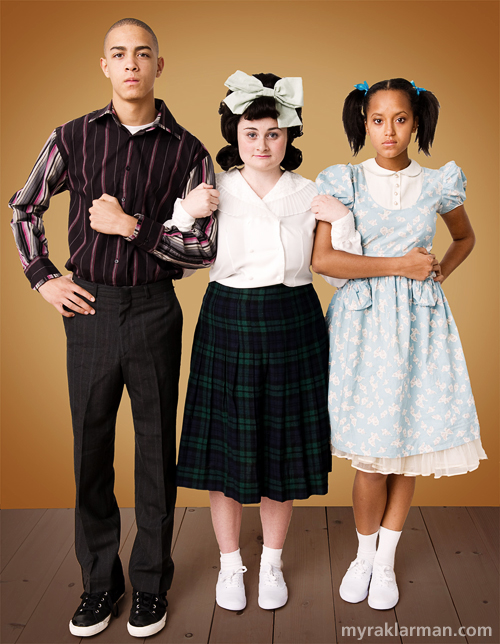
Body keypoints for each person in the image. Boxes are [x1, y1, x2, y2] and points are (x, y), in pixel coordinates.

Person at [9, 18, 218, 639]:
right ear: (105, 66)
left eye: (143, 54)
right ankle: (99, 582)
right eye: (119, 54)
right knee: (91, 449)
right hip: (90, 310)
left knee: (156, 452)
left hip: (156, 309)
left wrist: (132, 227)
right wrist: (43, 276)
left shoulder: (188, 150)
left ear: (159, 65)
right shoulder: (72, 137)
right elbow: (24, 205)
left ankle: (151, 584)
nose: (131, 64)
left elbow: (203, 249)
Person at [176, 70, 355, 612]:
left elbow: (339, 276)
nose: (262, 144)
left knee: (280, 447)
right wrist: (186, 211)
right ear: (234, 134)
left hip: (293, 317)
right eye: (251, 132)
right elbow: (178, 263)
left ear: (289, 137)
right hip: (227, 315)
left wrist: (342, 221)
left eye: (273, 133)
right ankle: (231, 565)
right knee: (224, 450)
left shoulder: (310, 194)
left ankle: (272, 562)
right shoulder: (212, 190)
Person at [311, 78, 487, 611]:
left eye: (401, 119)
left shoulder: (439, 183)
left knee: (406, 449)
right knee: (371, 455)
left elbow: (464, 238)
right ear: (363, 123)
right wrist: (401, 267)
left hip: (420, 326)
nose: (389, 130)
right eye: (377, 120)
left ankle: (385, 561)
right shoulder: (344, 181)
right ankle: (363, 555)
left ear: (417, 122)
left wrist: (433, 276)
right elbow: (324, 261)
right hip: (362, 327)